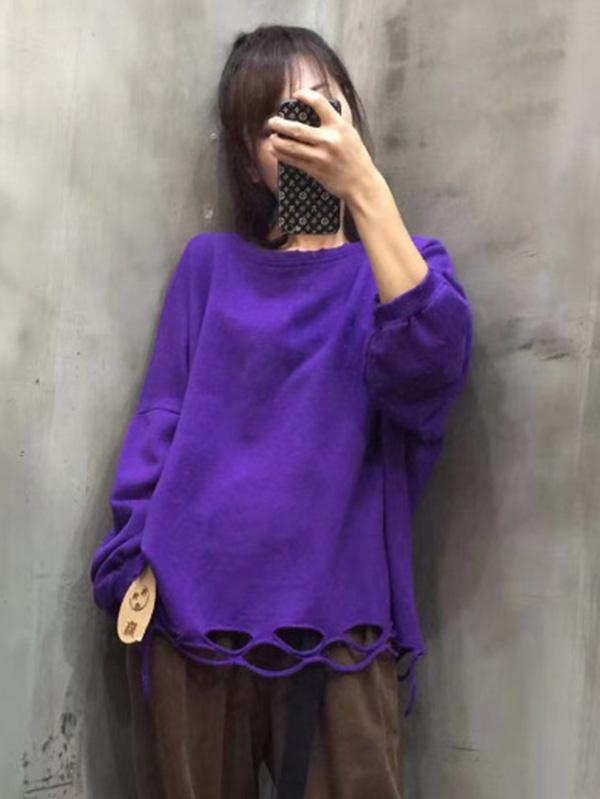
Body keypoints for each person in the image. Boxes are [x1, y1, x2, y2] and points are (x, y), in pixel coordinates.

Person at [90, 23, 473, 799]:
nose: (308, 132)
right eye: (281, 120)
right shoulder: (211, 266)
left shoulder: (403, 268)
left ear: (352, 119)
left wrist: (366, 190)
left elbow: (433, 365)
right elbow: (161, 417)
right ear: (248, 154)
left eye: (325, 106)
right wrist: (132, 561)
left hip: (341, 626)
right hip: (189, 618)